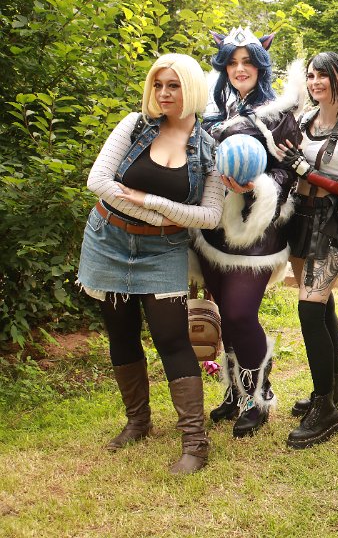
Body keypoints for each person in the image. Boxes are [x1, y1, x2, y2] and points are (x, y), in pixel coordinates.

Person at [78, 53, 224, 474]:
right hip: (108, 239)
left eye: (173, 85)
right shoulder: (133, 125)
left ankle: (195, 443)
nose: (163, 93)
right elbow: (98, 182)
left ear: (191, 89)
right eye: (158, 85)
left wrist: (149, 202)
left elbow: (210, 216)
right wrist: (165, 215)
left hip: (163, 250)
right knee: (121, 333)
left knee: (172, 338)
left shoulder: (211, 149)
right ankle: (137, 422)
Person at [192, 27, 302, 438]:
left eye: (248, 62)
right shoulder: (209, 112)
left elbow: (289, 171)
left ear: (261, 66)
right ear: (224, 67)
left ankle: (259, 395)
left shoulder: (277, 112)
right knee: (228, 316)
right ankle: (236, 391)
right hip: (212, 227)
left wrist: (257, 186)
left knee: (240, 313)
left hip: (257, 228)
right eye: (233, 62)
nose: (240, 69)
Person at [277, 52, 338, 448]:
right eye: (310, 75)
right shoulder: (303, 121)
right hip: (298, 219)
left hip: (332, 224)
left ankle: (325, 408)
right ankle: (335, 388)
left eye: (323, 75)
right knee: (321, 306)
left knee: (309, 309)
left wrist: (307, 171)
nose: (315, 81)